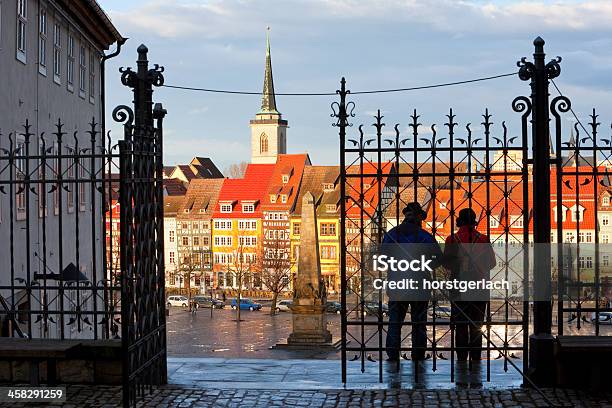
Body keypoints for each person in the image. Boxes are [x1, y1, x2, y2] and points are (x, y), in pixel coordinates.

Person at [383, 202, 443, 361]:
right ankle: (418, 354)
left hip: (397, 284)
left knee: (395, 321)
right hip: (419, 285)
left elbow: (382, 258)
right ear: (418, 218)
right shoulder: (425, 236)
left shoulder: (391, 235)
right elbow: (438, 259)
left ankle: (392, 354)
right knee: (419, 323)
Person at [443, 208, 496, 361]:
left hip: (458, 286)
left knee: (460, 324)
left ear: (459, 221)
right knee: (476, 324)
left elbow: (447, 264)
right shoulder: (484, 239)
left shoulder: (451, 240)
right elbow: (492, 263)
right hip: (479, 286)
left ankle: (461, 357)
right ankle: (476, 356)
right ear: (474, 222)